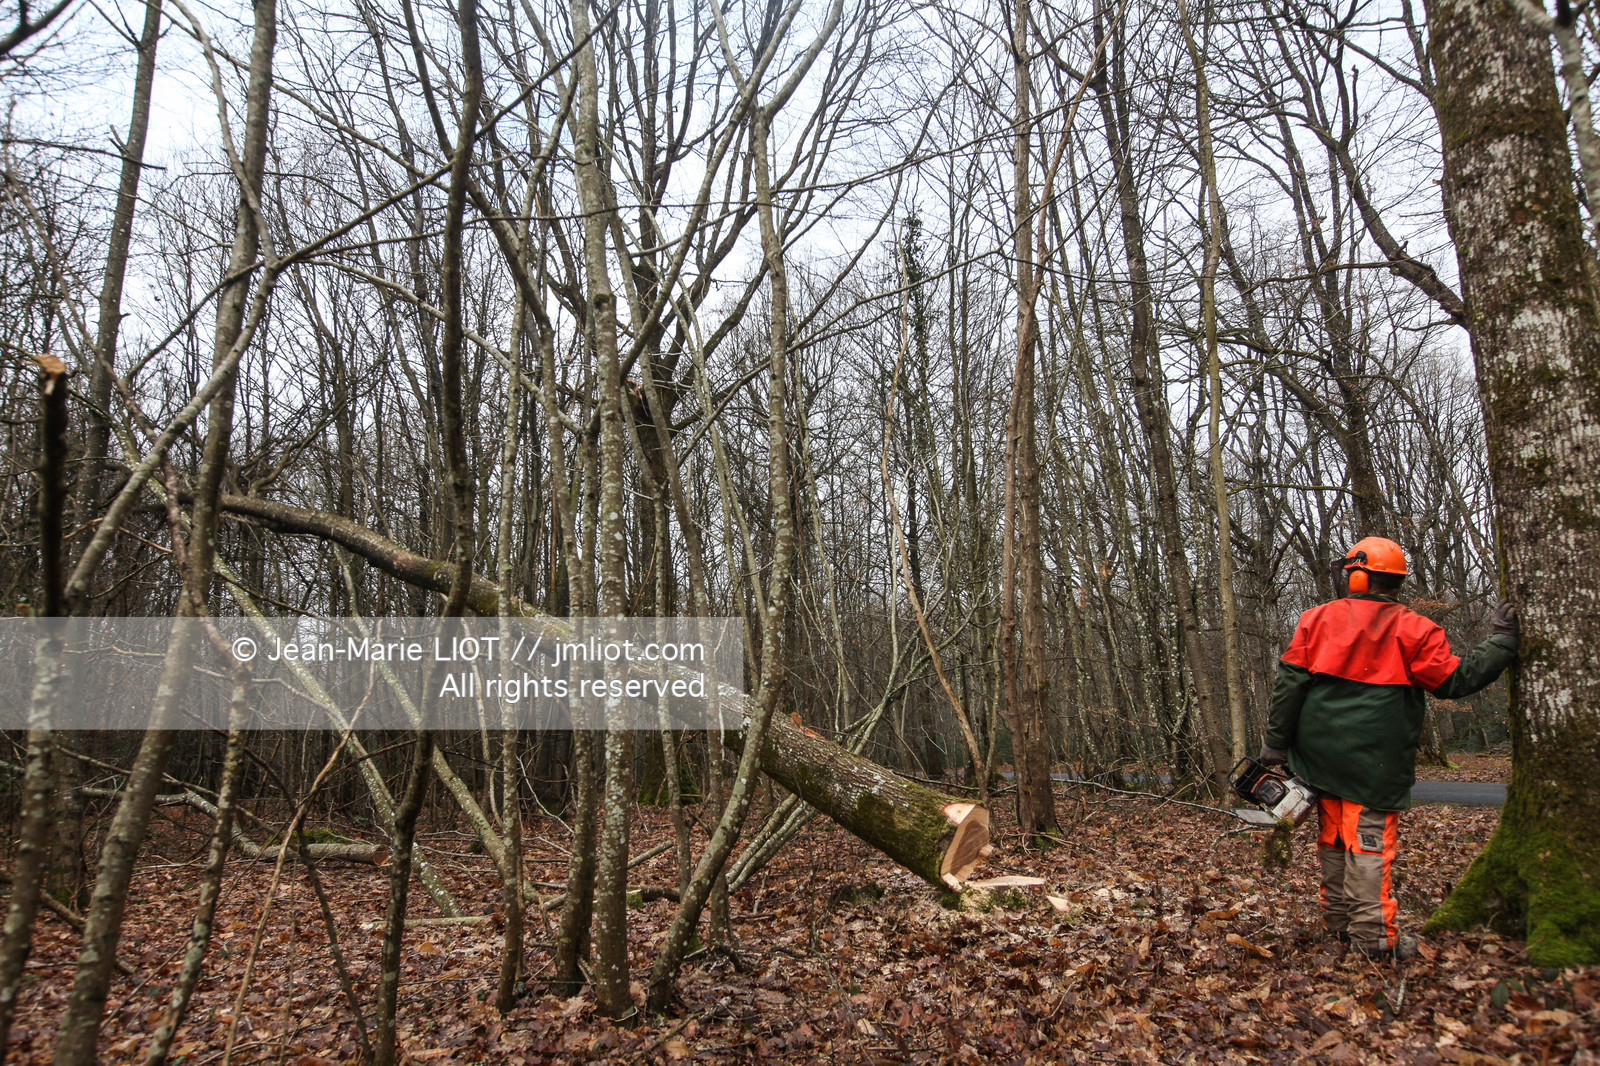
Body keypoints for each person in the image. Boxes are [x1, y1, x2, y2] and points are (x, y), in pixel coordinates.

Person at [1259, 536, 1519, 961]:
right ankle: (1374, 940)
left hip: (1319, 761)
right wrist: (1502, 641)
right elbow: (1454, 681)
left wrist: (1275, 742)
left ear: (1358, 577)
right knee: (1367, 846)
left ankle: (1340, 924)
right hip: (1375, 764)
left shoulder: (1315, 620)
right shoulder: (1416, 629)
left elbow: (1289, 686)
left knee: (1335, 841)